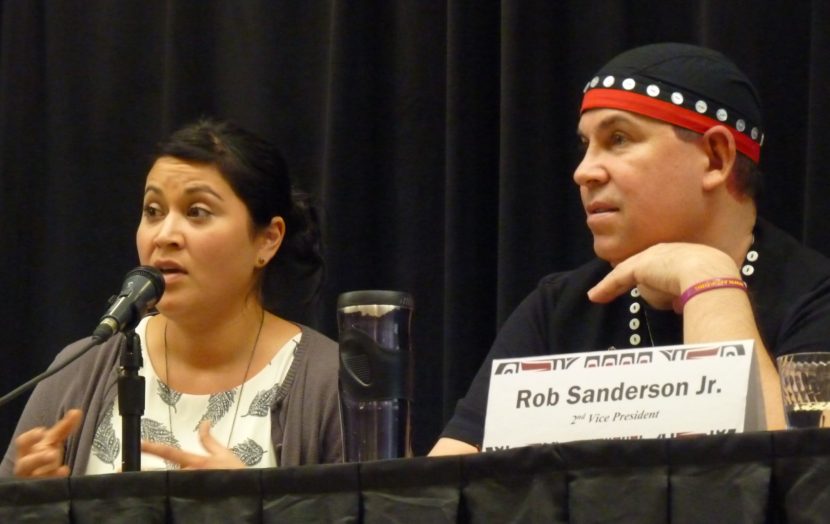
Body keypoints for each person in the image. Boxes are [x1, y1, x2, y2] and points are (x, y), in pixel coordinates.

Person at [430, 42, 830, 456]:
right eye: (586, 145)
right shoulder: (558, 309)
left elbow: (786, 483)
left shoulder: (816, 301)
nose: (583, 172)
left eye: (618, 139)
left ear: (715, 157)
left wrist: (708, 279)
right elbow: (445, 490)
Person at [0, 118, 343, 476]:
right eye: (153, 211)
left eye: (197, 212)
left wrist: (252, 507)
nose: (165, 235)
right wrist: (30, 505)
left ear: (268, 239)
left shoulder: (329, 383)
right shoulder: (78, 371)